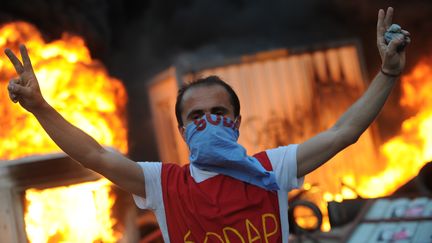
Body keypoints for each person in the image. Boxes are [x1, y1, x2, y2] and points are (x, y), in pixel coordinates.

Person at [5, 7, 410, 243]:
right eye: (195, 117)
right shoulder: (164, 186)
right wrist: (40, 107)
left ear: (235, 123)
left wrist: (387, 74)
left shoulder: (272, 170)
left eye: (218, 113)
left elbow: (344, 133)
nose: (208, 122)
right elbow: (93, 154)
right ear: (182, 132)